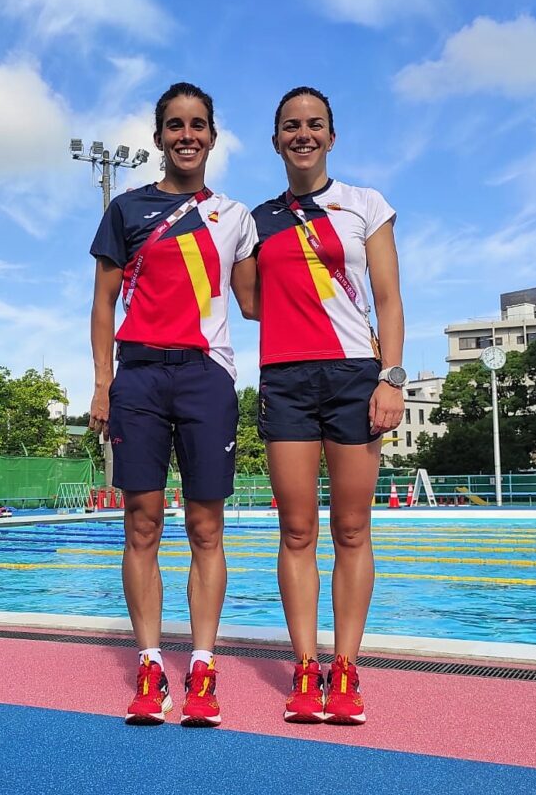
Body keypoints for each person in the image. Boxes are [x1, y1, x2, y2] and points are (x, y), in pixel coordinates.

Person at [88, 82, 258, 727]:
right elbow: (103, 302)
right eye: (175, 125)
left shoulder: (236, 216)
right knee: (142, 523)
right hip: (139, 377)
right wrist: (103, 383)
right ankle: (152, 665)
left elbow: (253, 302)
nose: (187, 135)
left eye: (198, 125)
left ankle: (205, 668)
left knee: (206, 527)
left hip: (206, 376)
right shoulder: (127, 210)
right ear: (160, 137)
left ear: (212, 136)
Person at [250, 86, 405, 726]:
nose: (303, 134)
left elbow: (390, 300)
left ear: (332, 137)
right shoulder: (255, 219)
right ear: (276, 138)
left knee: (351, 529)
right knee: (296, 531)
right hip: (285, 378)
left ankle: (345, 667)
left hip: (353, 377)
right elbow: (252, 302)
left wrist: (391, 378)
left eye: (315, 125)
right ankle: (305, 667)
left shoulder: (364, 204)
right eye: (291, 125)